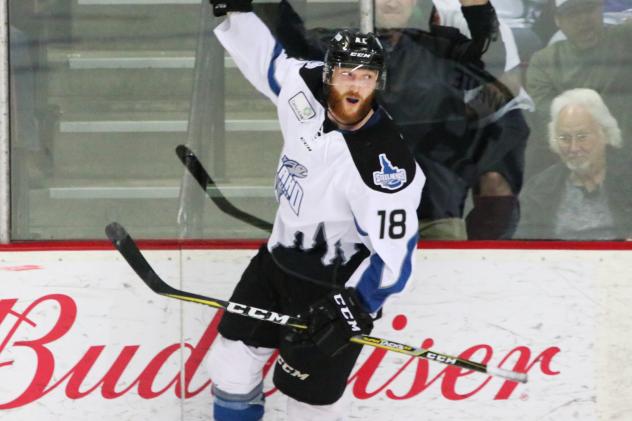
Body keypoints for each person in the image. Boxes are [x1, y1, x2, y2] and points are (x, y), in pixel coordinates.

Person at [206, 2, 426, 420]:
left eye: (367, 77)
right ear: (327, 75)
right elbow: (267, 63)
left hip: (333, 288)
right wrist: (237, 10)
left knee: (307, 405)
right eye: (346, 74)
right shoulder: (302, 85)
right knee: (230, 366)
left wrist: (354, 307)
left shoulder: (384, 166)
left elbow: (395, 262)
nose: (355, 86)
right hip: (276, 264)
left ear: (379, 83)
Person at [275, 0, 530, 239]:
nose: (392, 2)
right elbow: (290, 37)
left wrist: (475, 6)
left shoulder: (438, 48)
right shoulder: (340, 47)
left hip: (434, 208)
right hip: (354, 211)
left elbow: (491, 57)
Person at [525, 0, 632, 174]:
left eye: (589, 9)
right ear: (558, 21)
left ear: (601, 9)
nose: (583, 19)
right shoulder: (545, 62)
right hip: (576, 159)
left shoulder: (625, 39)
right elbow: (548, 118)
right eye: (572, 13)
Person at [516, 88, 632, 239]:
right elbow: (523, 247)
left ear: (604, 134)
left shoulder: (628, 179)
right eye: (564, 138)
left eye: (582, 136)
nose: (574, 147)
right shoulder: (538, 191)